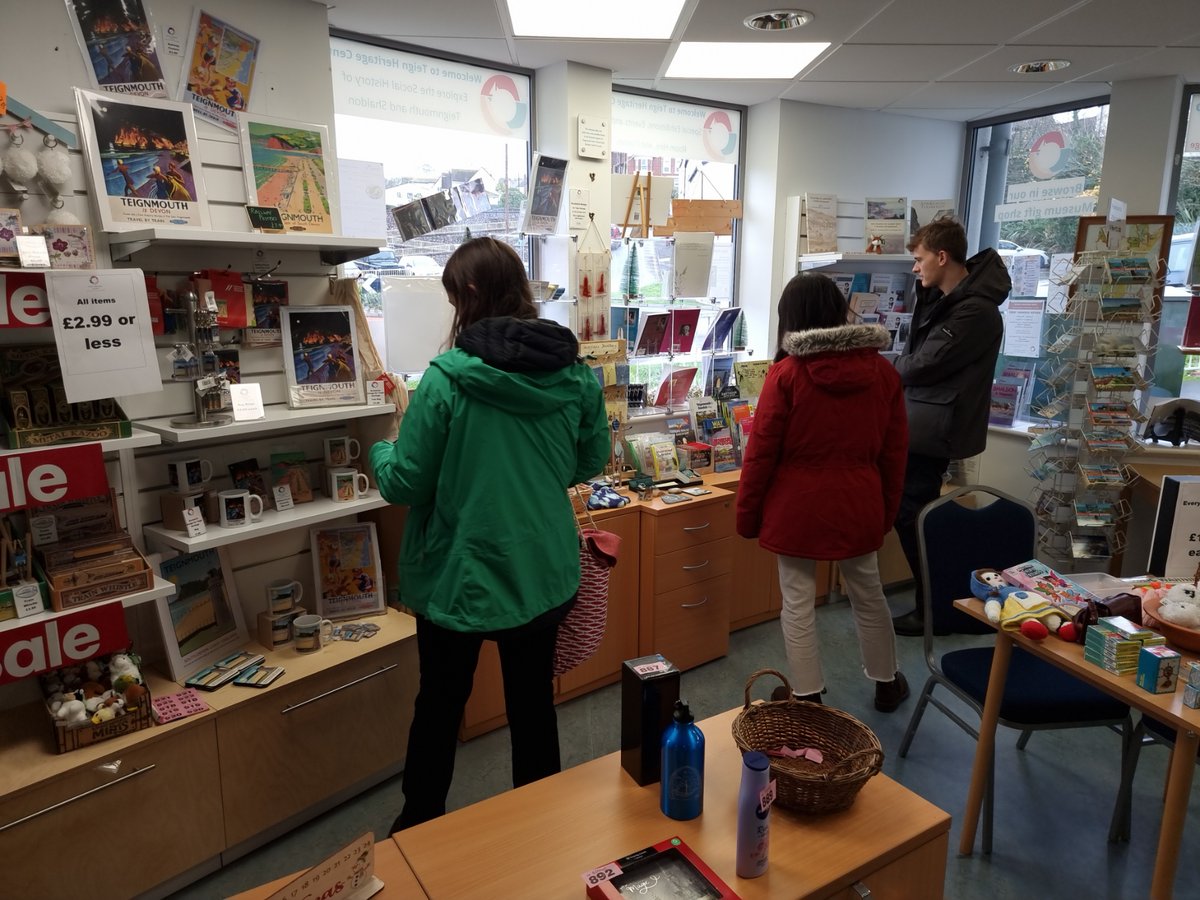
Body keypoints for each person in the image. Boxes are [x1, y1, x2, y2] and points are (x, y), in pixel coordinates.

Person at [371, 236, 611, 830]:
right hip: (540, 571)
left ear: (470, 295)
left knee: (440, 704)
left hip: (460, 576)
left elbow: (404, 482)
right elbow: (588, 462)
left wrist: (380, 447)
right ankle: (540, 823)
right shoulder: (574, 376)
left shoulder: (447, 381)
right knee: (532, 706)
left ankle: (420, 822)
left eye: (454, 297)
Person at [736, 273, 910, 712]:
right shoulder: (883, 373)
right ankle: (887, 682)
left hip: (797, 505)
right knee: (868, 593)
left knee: (796, 601)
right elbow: (894, 455)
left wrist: (747, 515)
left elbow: (760, 454)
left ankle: (808, 694)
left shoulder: (786, 375)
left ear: (791, 318)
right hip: (859, 500)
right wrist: (885, 511)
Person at [890, 219, 1009, 637]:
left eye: (920, 260)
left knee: (914, 518)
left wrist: (883, 364)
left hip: (934, 429)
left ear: (942, 257)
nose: (915, 269)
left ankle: (933, 610)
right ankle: (932, 606)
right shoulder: (946, 300)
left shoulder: (975, 311)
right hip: (923, 422)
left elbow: (923, 364)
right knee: (911, 516)